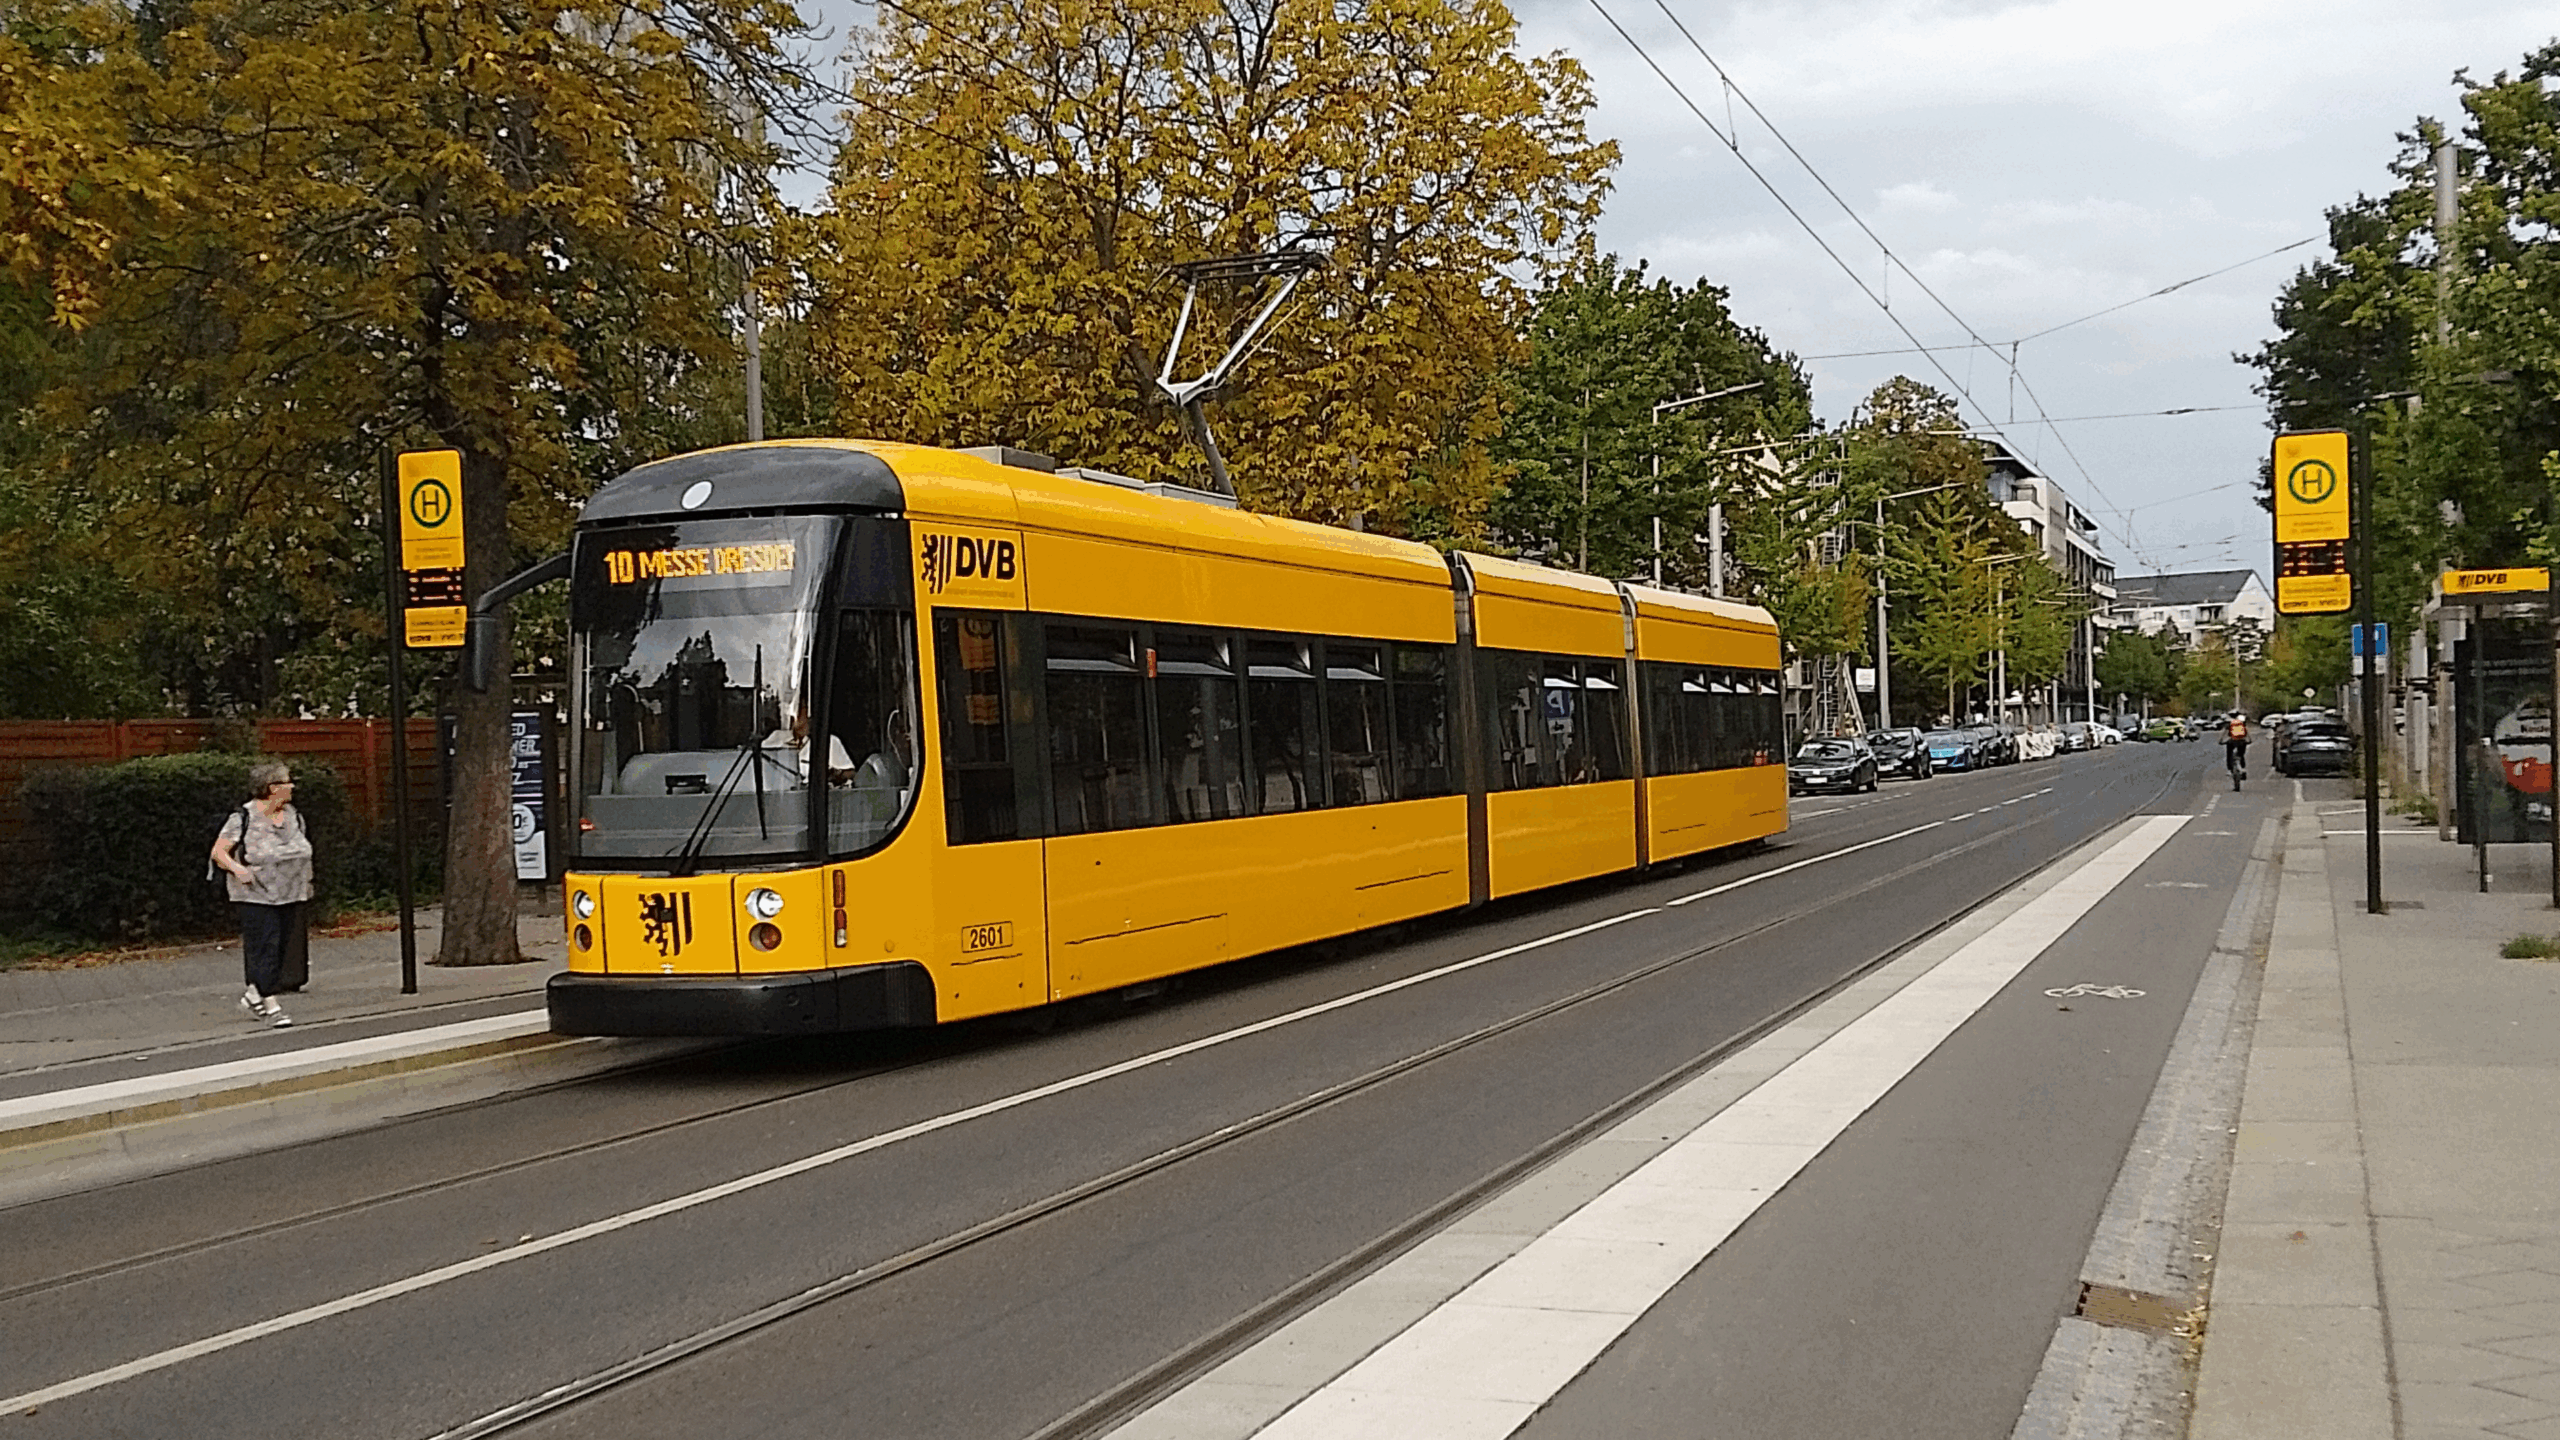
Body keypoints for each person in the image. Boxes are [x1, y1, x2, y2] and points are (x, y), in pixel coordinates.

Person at [209, 761, 314, 1028]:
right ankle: (271, 1006)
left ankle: (254, 994)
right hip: (255, 895)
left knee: (282, 950)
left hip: (292, 893)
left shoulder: (293, 815)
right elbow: (219, 852)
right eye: (287, 782)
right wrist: (238, 869)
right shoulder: (243, 818)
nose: (292, 786)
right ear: (271, 787)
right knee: (265, 947)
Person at [2224, 711, 2250, 782]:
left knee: (2229, 754)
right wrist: (2249, 740)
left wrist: (2221, 741)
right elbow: (2246, 732)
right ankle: (2243, 770)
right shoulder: (2242, 722)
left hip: (2232, 741)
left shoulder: (2230, 723)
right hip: (2242, 741)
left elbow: (2225, 733)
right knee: (2241, 755)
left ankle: (2229, 770)